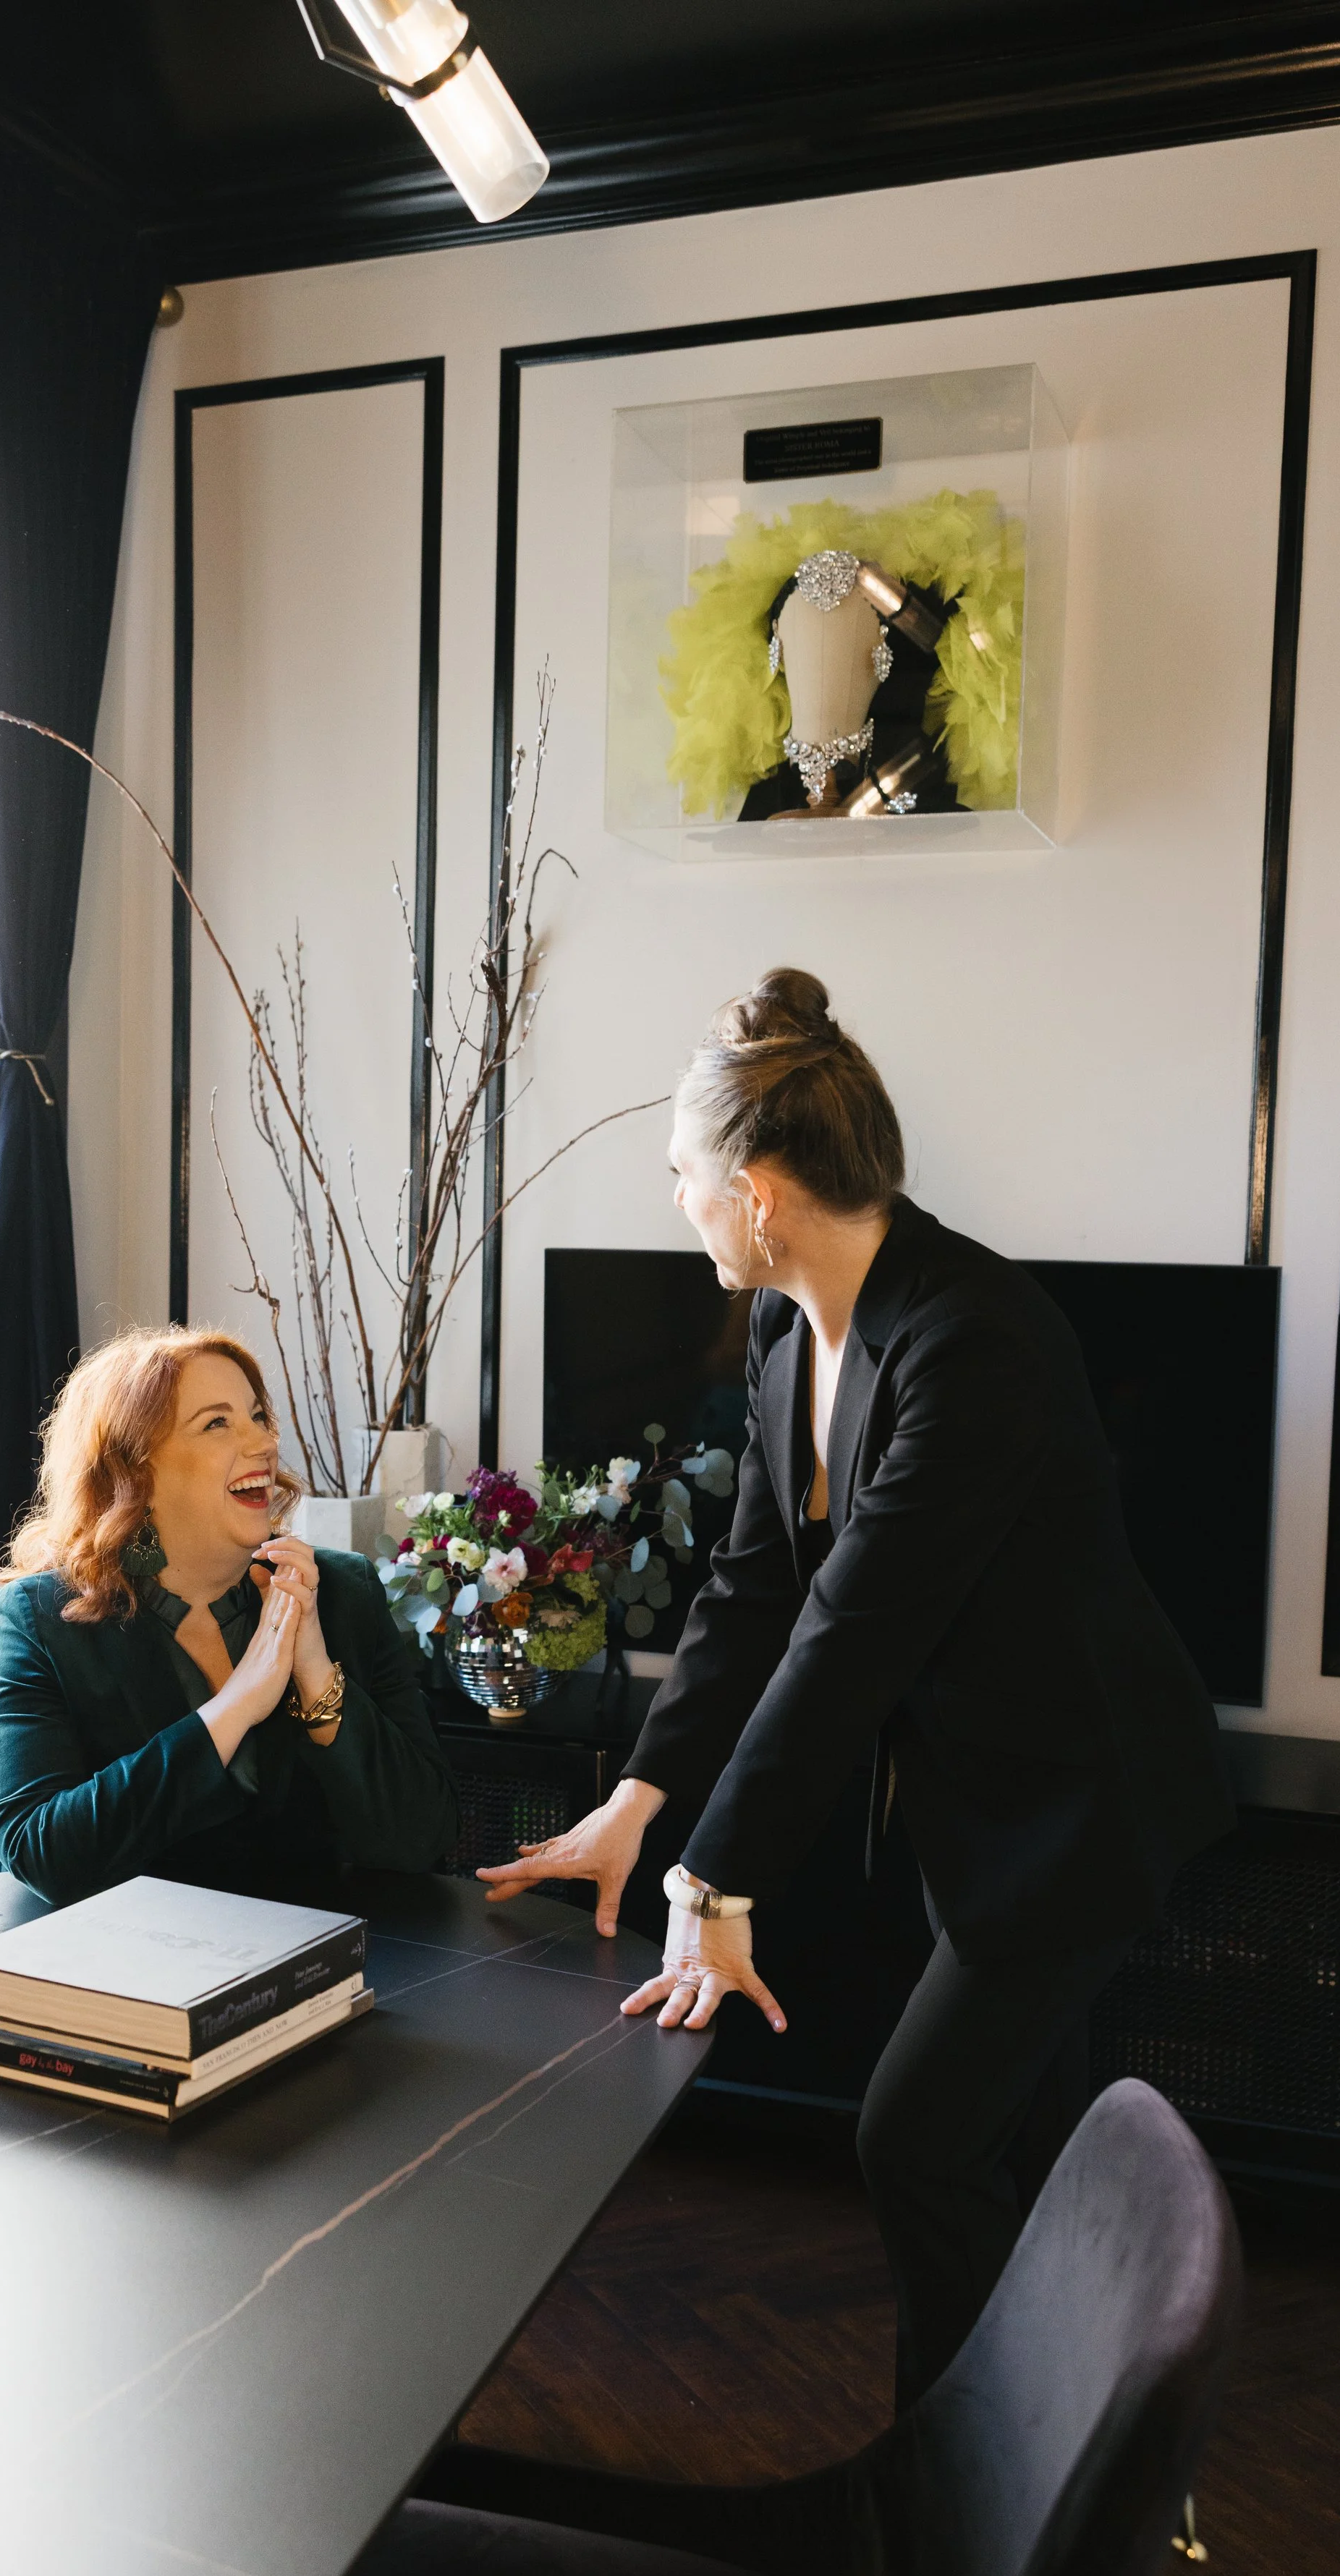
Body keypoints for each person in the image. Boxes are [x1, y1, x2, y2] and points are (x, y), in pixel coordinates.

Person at [478, 969, 1234, 2407]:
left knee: (916, 2138)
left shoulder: (973, 1341)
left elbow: (853, 1630)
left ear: (756, 1189)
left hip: (1077, 1804)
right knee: (1035, 2135)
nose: (678, 1202)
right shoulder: (781, 1336)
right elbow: (751, 1590)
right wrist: (638, 1800)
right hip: (978, 1799)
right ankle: (1095, 2433)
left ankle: (964, 2470)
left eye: (684, 1177)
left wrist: (717, 1879)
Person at [0, 1324, 457, 1908]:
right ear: (137, 1472)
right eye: (217, 1423)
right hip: (66, 1961)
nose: (262, 1443)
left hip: (273, 1959)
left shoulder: (341, 1591)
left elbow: (421, 1840)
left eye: (257, 1416)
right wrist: (235, 1706)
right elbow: (43, 1854)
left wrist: (315, 1675)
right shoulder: (37, 1620)